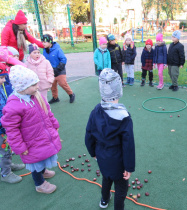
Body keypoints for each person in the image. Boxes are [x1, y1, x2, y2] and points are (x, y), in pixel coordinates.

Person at [1, 65, 61, 193]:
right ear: (22, 87)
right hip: (30, 142)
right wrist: (20, 147)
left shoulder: (36, 96)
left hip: (42, 136)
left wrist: (55, 125)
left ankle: (43, 171)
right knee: (35, 162)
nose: (37, 87)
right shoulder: (13, 106)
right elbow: (11, 130)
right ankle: (39, 184)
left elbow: (48, 112)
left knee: (43, 155)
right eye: (34, 85)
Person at [85, 68, 135, 210]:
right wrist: (129, 167)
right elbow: (128, 145)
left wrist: (92, 152)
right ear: (119, 90)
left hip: (102, 156)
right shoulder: (124, 117)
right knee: (121, 189)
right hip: (118, 160)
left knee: (106, 178)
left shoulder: (96, 110)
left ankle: (104, 200)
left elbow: (88, 134)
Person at [0, 63, 25, 184]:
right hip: (1, 128)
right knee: (3, 151)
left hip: (4, 126)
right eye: (1, 77)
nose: (4, 80)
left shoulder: (1, 88)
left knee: (8, 149)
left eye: (5, 77)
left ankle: (9, 165)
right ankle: (5, 173)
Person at [41, 34, 75, 104]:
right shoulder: (44, 51)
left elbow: (63, 59)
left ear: (50, 41)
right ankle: (55, 98)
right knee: (52, 86)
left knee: (63, 83)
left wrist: (58, 69)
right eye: (42, 42)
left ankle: (71, 94)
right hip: (51, 71)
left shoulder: (57, 49)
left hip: (59, 70)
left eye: (45, 42)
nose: (43, 43)